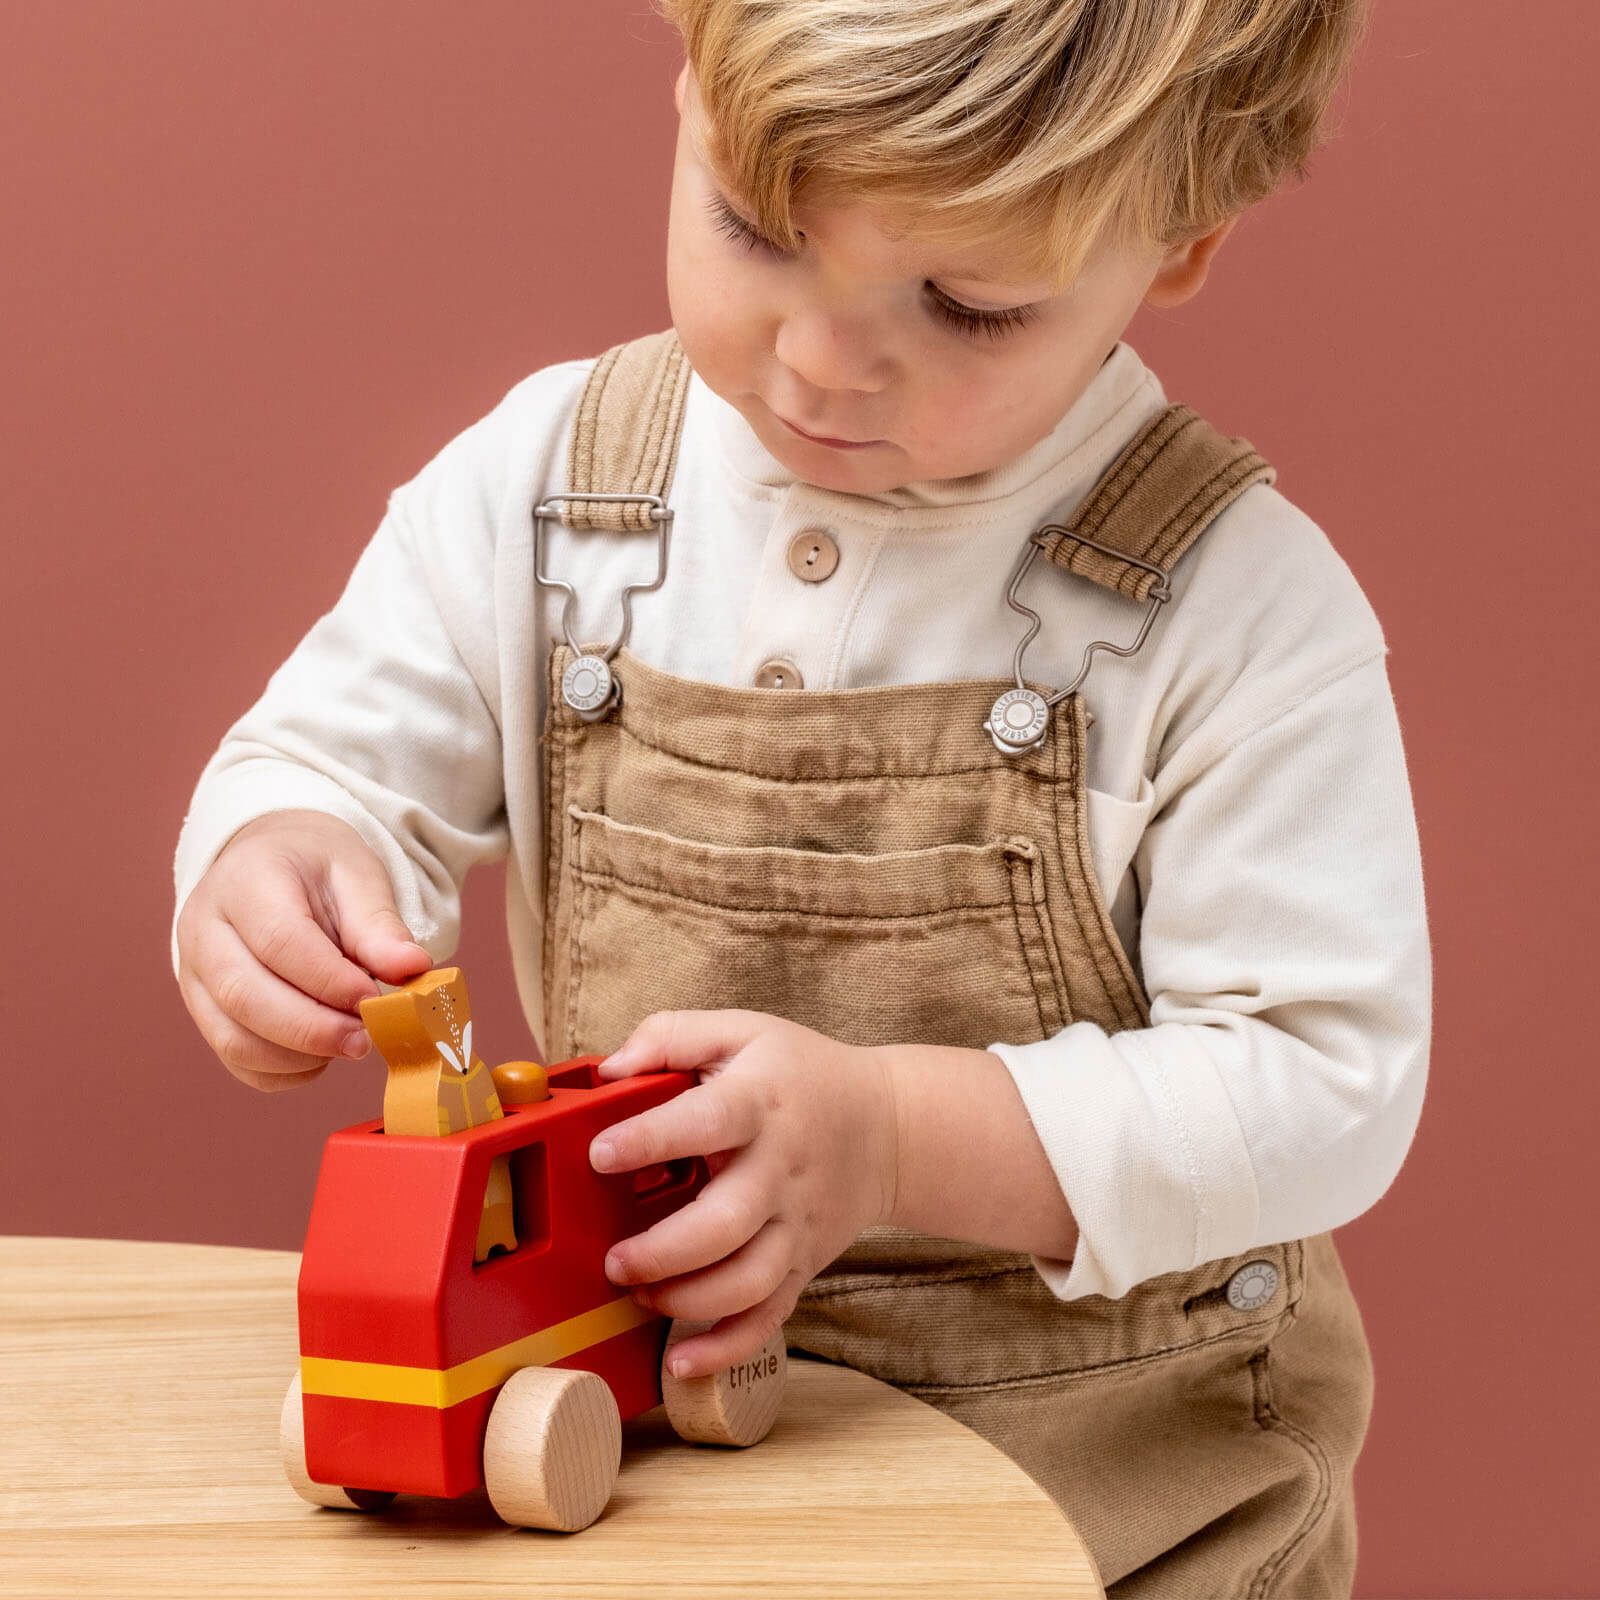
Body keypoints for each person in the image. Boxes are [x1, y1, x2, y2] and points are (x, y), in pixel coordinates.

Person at [172, 2, 1429, 1592]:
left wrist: (894, 1138)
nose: (827, 360)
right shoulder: (551, 489)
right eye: (758, 229)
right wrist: (279, 860)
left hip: (1114, 1508)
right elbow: (333, 764)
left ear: (1179, 244)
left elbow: (1323, 1085)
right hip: (664, 1489)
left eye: (971, 305)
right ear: (685, 83)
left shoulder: (1236, 612)